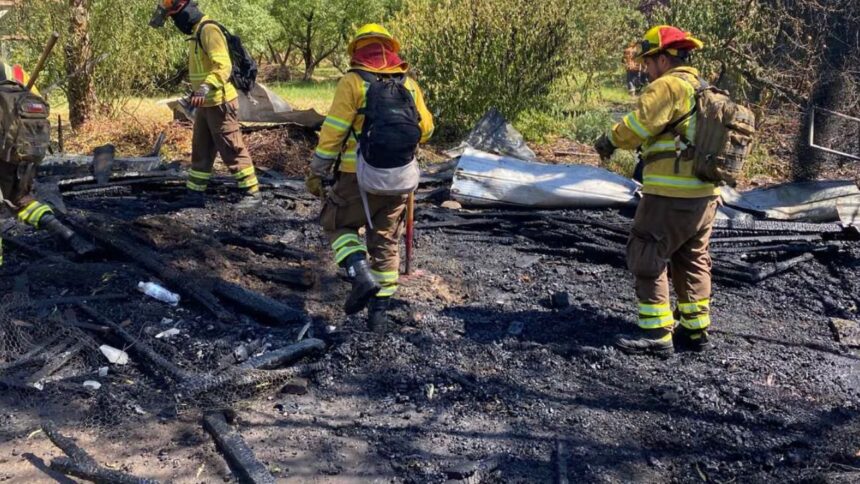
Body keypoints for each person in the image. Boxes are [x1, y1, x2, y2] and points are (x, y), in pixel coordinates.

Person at [594, 26, 717, 356]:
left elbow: (639, 125)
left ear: (663, 59)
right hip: (705, 197)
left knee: (647, 252)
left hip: (669, 195)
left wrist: (609, 139)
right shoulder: (705, 89)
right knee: (692, 259)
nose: (646, 71)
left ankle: (656, 334)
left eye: (648, 62)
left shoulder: (668, 86)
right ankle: (695, 331)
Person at [305, 24, 434, 332]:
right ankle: (378, 317)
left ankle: (359, 272)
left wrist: (317, 170)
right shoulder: (410, 85)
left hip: (356, 177)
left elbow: (334, 130)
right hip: (401, 178)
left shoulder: (352, 81)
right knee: (386, 242)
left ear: (357, 52)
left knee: (335, 224)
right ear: (391, 49)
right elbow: (427, 130)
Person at [149, 0, 261, 209]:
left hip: (220, 102)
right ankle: (194, 194)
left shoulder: (208, 30)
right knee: (201, 149)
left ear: (184, 10)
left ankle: (252, 192)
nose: (174, 21)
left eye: (173, 16)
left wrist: (204, 88)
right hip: (206, 104)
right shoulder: (196, 32)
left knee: (231, 147)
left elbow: (223, 66)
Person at [0, 62, 96, 262]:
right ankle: (64, 232)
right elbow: (36, 103)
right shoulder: (14, 70)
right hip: (22, 151)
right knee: (23, 201)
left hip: (6, 145)